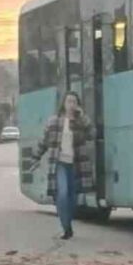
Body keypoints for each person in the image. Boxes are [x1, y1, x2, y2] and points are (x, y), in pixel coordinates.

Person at [35, 91, 94, 240]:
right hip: (59, 162)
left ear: (77, 105)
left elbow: (92, 133)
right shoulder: (54, 121)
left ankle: (68, 223)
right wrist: (35, 157)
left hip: (75, 163)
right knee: (62, 194)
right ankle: (66, 228)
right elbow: (44, 141)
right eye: (69, 101)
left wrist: (83, 117)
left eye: (74, 102)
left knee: (73, 198)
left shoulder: (80, 122)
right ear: (63, 104)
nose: (71, 104)